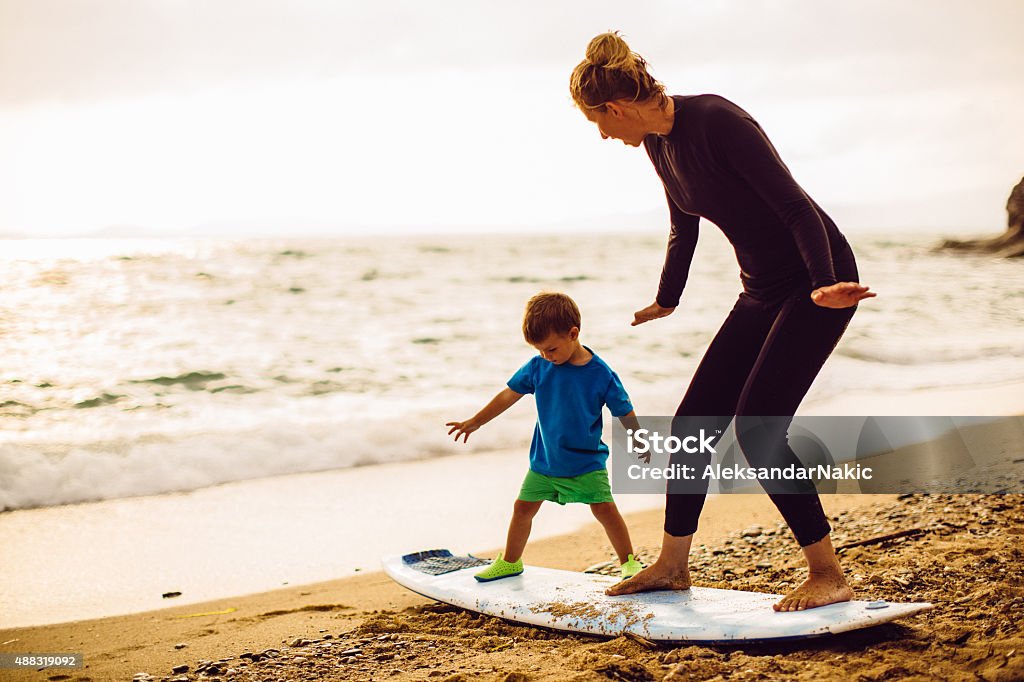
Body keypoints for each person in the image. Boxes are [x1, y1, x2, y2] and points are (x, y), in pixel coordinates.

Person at [569, 32, 876, 612]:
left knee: (758, 430)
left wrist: (823, 284)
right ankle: (672, 566)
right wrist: (667, 299)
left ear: (613, 107)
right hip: (760, 290)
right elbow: (684, 225)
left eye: (599, 124)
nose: (605, 136)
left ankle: (828, 573)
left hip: (818, 283)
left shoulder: (718, 121)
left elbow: (796, 207)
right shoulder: (659, 145)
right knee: (693, 428)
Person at [446, 291, 644, 582]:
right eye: (540, 351)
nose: (545, 356)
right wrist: (476, 421)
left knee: (604, 509)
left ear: (573, 333)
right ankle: (511, 562)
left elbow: (624, 410)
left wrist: (637, 439)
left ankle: (629, 562)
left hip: (585, 463)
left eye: (550, 349)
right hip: (545, 462)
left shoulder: (600, 374)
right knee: (523, 507)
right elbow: (507, 395)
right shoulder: (539, 367)